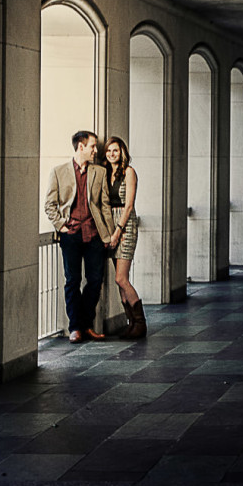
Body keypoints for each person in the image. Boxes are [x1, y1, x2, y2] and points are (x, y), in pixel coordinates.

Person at [43, 130, 117, 343]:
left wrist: (109, 234)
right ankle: (75, 327)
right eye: (93, 146)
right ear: (80, 147)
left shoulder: (99, 172)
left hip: (95, 235)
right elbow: (49, 204)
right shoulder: (59, 171)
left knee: (95, 281)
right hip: (71, 235)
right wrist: (61, 226)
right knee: (72, 281)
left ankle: (86, 324)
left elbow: (104, 205)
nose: (96, 150)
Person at [103, 136, 146, 339]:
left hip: (125, 225)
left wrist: (118, 230)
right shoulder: (105, 173)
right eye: (109, 151)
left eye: (116, 151)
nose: (112, 154)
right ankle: (131, 324)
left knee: (121, 278)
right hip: (111, 225)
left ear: (122, 152)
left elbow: (129, 205)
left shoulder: (129, 172)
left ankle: (140, 322)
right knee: (120, 281)